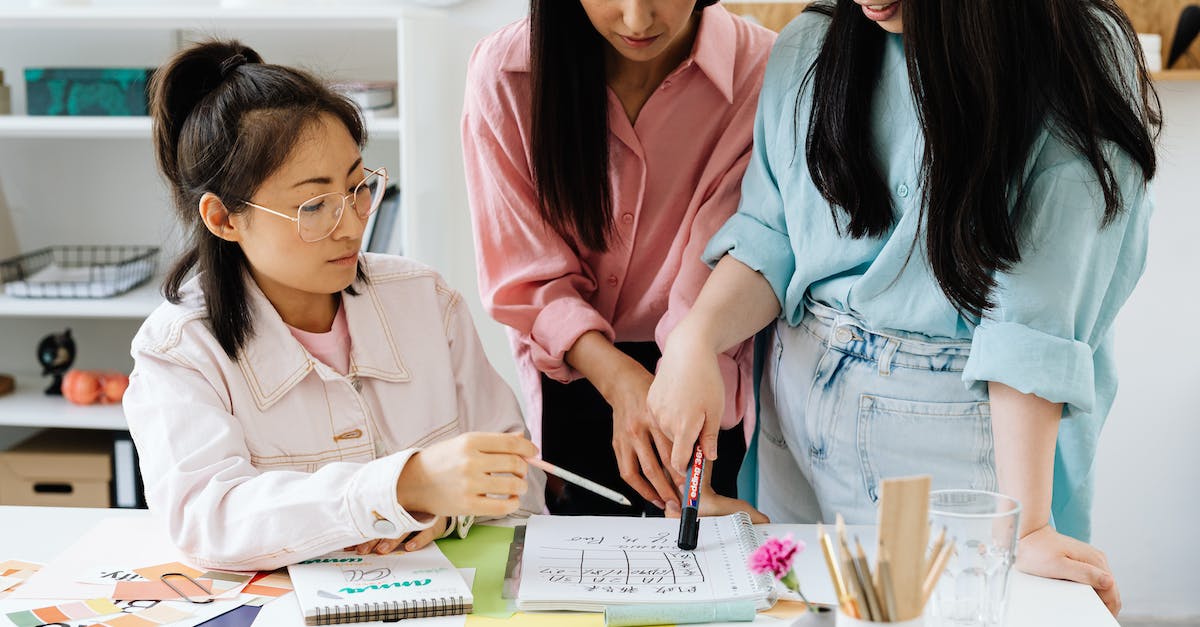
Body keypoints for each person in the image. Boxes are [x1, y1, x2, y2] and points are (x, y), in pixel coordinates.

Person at [648, 0, 1159, 616]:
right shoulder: (812, 43)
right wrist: (696, 339)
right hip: (795, 416)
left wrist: (1021, 528)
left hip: (957, 441)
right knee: (796, 608)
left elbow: (1035, 317)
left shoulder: (1073, 52)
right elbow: (775, 231)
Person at [124, 39, 544, 572]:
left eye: (357, 187)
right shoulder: (180, 349)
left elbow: (522, 475)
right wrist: (402, 485)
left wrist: (445, 511)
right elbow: (207, 521)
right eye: (314, 205)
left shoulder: (425, 300)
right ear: (224, 219)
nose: (352, 224)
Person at [462, 0, 775, 517]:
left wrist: (679, 387)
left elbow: (722, 263)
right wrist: (620, 380)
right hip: (570, 364)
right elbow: (521, 270)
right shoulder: (506, 72)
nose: (637, 20)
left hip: (702, 363)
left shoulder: (760, 70)